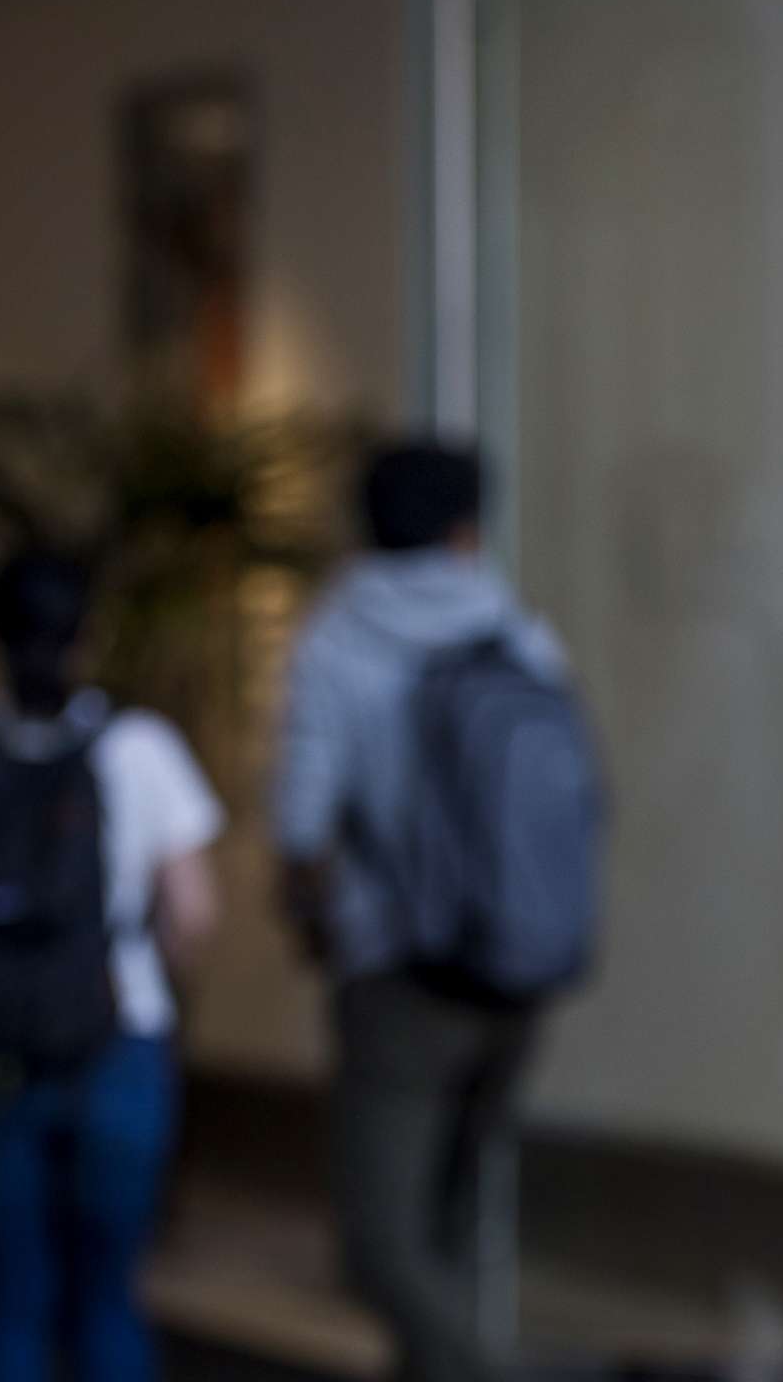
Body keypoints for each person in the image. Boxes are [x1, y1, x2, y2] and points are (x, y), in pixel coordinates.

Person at [274, 442, 579, 1382]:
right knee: (444, 1233)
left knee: (379, 1247)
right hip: (519, 974)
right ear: (466, 531)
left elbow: (300, 821)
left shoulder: (336, 640)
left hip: (399, 977)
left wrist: (316, 926)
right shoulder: (522, 635)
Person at [0, 549, 221, 1382]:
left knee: (9, 1300)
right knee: (107, 1296)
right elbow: (193, 912)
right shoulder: (141, 748)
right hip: (118, 1036)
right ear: (87, 635)